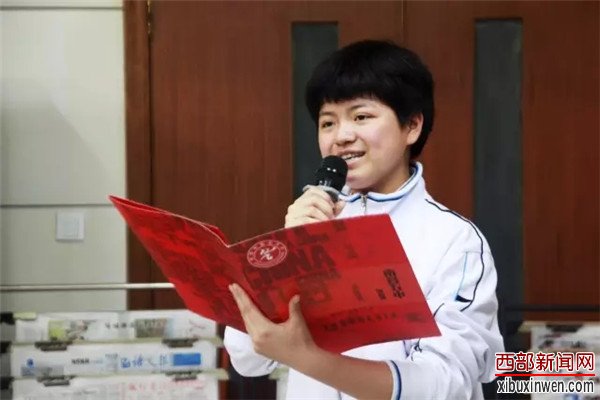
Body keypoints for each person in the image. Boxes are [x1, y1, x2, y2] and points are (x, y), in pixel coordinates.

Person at [224, 39, 504, 399]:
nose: (342, 136)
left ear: (412, 126)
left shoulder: (454, 240)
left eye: (361, 117)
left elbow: (446, 383)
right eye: (328, 122)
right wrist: (286, 253)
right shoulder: (310, 223)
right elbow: (247, 359)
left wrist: (309, 359)